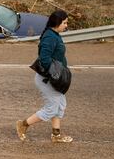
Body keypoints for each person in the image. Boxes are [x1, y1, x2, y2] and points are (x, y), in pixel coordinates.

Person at [16, 10, 73, 143]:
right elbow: (44, 59)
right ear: (57, 23)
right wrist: (56, 75)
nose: (66, 25)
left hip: (52, 78)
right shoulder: (50, 37)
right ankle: (23, 125)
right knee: (52, 108)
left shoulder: (54, 34)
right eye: (64, 23)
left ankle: (56, 135)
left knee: (60, 105)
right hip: (48, 79)